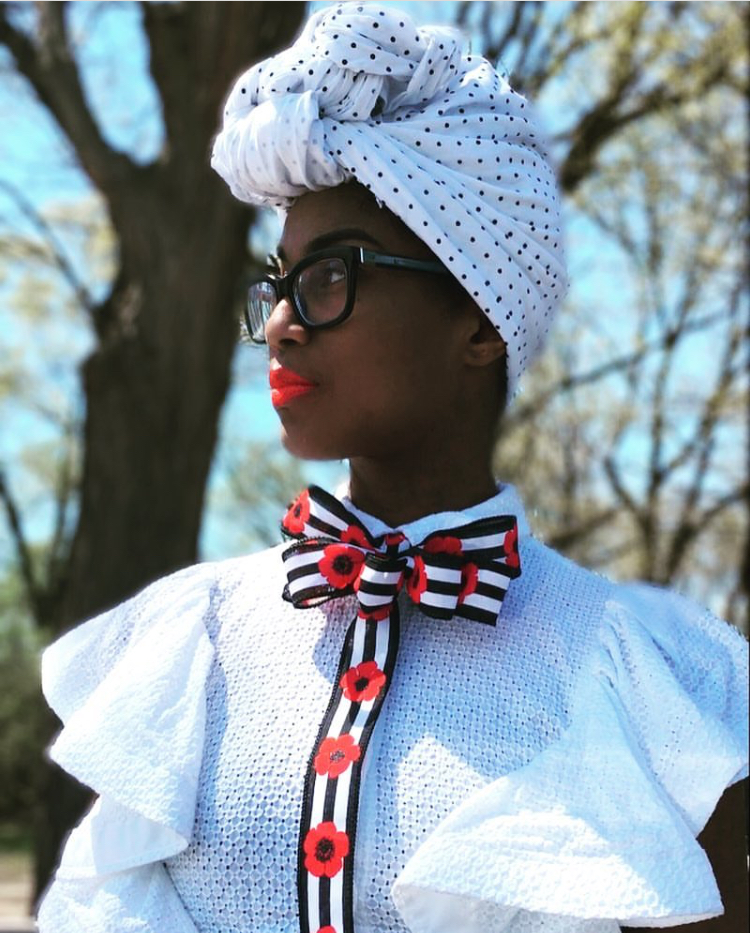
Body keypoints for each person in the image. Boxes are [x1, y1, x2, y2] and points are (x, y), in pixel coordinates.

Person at [37, 4, 747, 933]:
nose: (282, 323)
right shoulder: (196, 644)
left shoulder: (640, 675)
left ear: (480, 322)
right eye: (277, 285)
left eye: (330, 276)